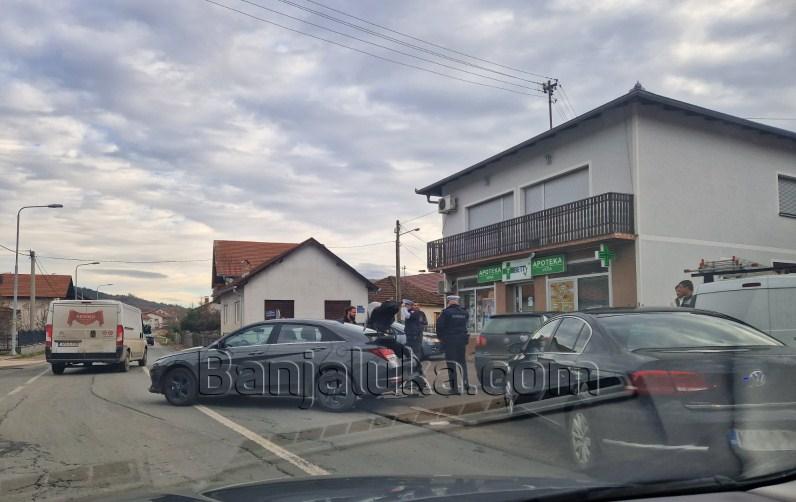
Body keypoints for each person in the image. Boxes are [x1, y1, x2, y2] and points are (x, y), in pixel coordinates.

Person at [436, 295, 470, 394]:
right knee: (462, 363)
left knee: (451, 364)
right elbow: (465, 324)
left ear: (449, 301)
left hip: (450, 341)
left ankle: (454, 389)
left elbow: (439, 326)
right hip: (462, 341)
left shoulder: (446, 312)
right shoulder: (464, 312)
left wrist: (441, 338)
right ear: (457, 301)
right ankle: (466, 384)